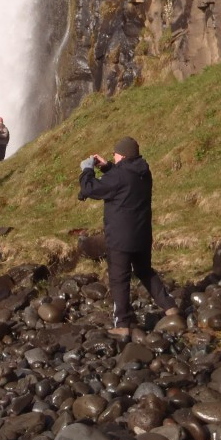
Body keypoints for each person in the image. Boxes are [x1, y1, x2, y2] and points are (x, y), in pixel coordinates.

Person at [79, 136, 178, 339]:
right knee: (144, 271)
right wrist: (107, 166)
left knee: (119, 279)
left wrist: (87, 169)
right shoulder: (143, 171)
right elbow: (123, 181)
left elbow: (91, 189)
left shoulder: (119, 176)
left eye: (115, 154)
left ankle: (122, 324)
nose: (113, 157)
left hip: (120, 238)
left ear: (122, 155)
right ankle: (170, 309)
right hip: (141, 235)